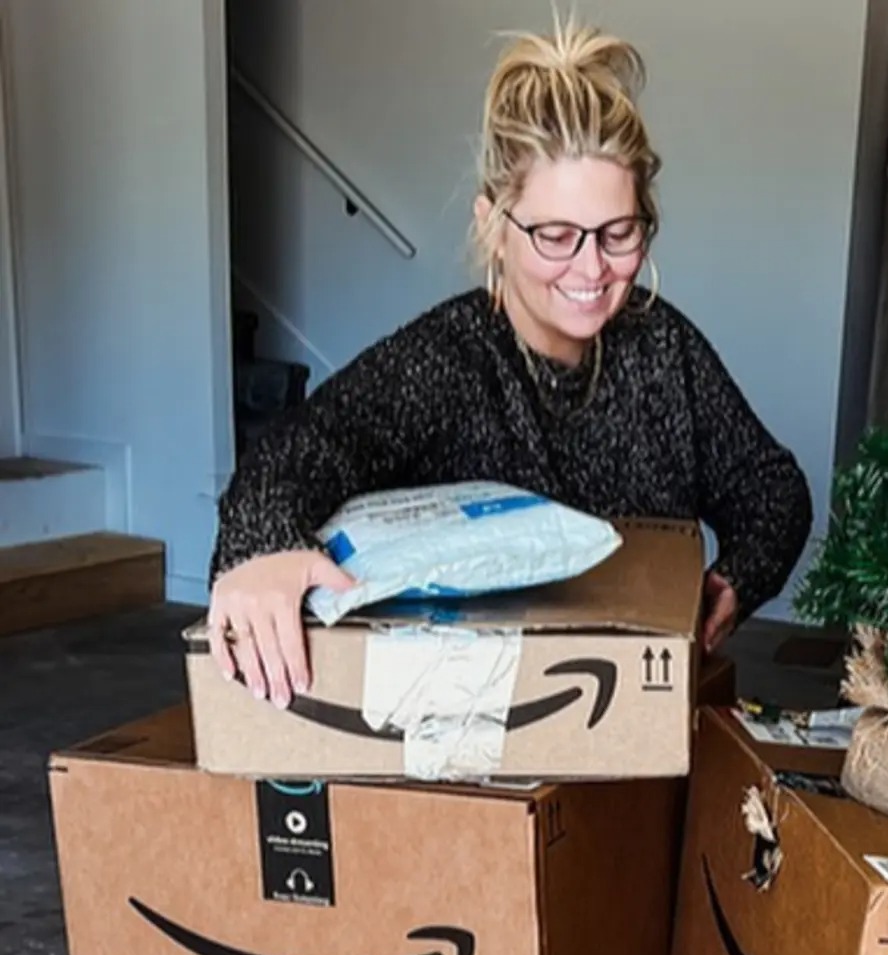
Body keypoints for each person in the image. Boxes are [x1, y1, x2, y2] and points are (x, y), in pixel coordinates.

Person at [208, 17, 813, 709]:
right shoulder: (445, 360)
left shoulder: (663, 347)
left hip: (640, 716)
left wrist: (734, 581)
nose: (591, 267)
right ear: (493, 226)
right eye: (556, 235)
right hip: (475, 725)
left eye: (618, 233)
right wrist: (262, 552)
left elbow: (770, 487)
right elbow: (299, 452)